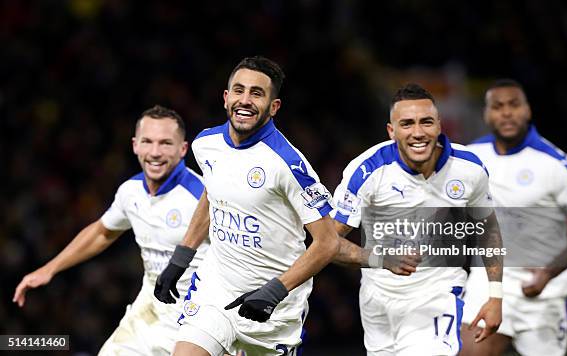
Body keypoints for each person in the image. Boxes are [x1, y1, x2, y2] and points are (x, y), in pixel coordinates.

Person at [154, 56, 340, 356]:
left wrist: (276, 289)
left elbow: (328, 242)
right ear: (226, 98)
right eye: (239, 90)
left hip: (274, 309)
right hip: (215, 290)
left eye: (257, 93)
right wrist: (182, 256)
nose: (245, 100)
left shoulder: (288, 164)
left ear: (273, 107)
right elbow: (213, 195)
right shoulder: (205, 144)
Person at [13, 105, 208, 355]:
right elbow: (102, 232)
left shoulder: (202, 198)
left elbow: (240, 259)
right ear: (135, 145)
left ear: (182, 149)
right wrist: (49, 269)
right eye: (147, 142)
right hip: (148, 315)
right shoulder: (131, 191)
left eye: (166, 143)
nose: (155, 152)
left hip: (195, 322)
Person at [330, 83, 504, 355]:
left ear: (439, 125)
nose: (418, 133)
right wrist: (381, 261)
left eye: (426, 122)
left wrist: (495, 295)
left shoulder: (469, 168)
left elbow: (489, 230)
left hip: (438, 294)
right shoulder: (368, 170)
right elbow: (327, 242)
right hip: (378, 300)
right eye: (407, 124)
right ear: (391, 131)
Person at [460, 79, 567, 356]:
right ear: (486, 114)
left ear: (528, 110)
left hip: (543, 291)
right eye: (498, 106)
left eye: (514, 105)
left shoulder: (554, 163)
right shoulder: (471, 157)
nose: (506, 113)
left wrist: (547, 274)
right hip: (489, 283)